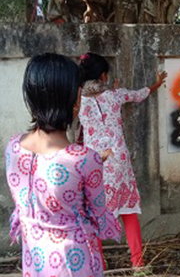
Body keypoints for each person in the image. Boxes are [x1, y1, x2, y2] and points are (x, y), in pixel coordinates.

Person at [5, 53, 121, 277]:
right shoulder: (85, 159)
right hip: (74, 265)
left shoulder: (13, 148)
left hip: (34, 263)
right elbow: (99, 216)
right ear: (75, 101)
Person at [78, 52, 167, 274]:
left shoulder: (78, 100)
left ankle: (99, 263)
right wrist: (157, 83)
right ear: (103, 76)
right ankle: (138, 264)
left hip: (93, 163)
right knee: (128, 212)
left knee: (95, 214)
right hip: (119, 161)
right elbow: (140, 95)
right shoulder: (115, 96)